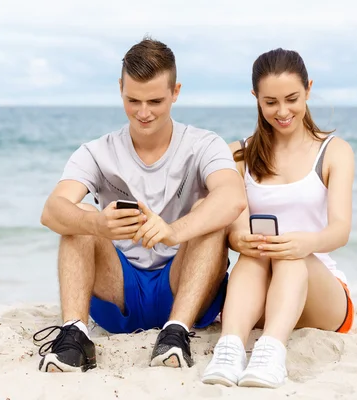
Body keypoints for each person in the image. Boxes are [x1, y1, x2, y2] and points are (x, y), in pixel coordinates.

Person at [34, 37, 246, 373]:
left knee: (209, 212)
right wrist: (97, 225)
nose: (143, 113)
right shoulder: (97, 151)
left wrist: (174, 231)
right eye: (133, 100)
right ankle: (74, 334)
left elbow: (233, 197)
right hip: (118, 293)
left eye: (155, 101)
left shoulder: (204, 144)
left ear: (175, 92)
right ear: (120, 88)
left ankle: (175, 333)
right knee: (81, 215)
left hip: (184, 285)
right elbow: (52, 210)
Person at [201, 48, 356, 388]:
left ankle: (271, 353)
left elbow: (340, 230)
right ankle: (230, 349)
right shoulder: (238, 154)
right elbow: (233, 221)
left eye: (292, 99)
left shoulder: (334, 151)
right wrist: (239, 236)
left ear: (308, 89)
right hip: (261, 287)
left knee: (288, 255)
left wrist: (306, 242)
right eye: (270, 102)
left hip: (321, 294)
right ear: (256, 98)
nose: (282, 111)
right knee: (254, 253)